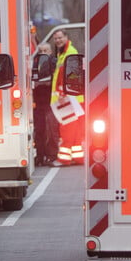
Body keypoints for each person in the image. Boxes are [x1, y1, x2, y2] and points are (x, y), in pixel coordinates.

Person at [50, 29, 84, 165]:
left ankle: (63, 159)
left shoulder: (70, 53)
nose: (58, 40)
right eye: (56, 38)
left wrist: (62, 93)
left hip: (69, 98)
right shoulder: (64, 53)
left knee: (67, 128)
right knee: (75, 130)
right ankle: (77, 157)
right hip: (73, 98)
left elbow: (70, 77)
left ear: (66, 37)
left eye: (60, 38)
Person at [32, 42, 58, 166]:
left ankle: (52, 155)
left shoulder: (54, 63)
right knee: (39, 130)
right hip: (38, 101)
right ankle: (40, 155)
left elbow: (55, 80)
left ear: (50, 52)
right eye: (41, 51)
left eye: (45, 51)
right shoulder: (35, 64)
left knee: (51, 129)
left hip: (50, 101)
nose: (43, 53)